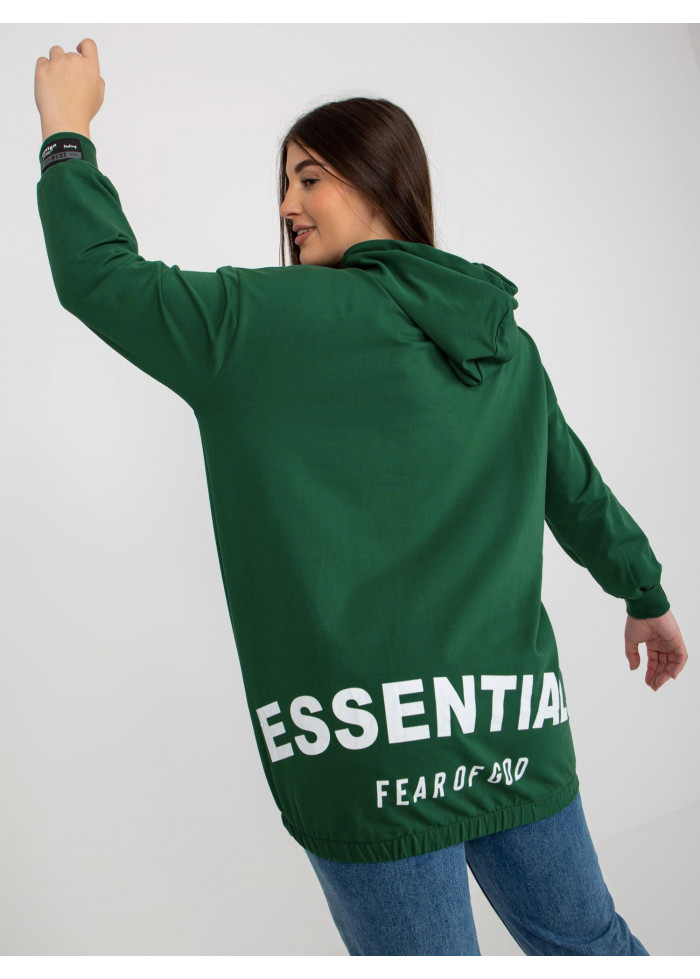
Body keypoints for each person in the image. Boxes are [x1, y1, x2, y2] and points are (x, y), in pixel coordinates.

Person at [35, 39, 688, 957]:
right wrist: (644, 594)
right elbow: (573, 488)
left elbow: (99, 277)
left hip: (365, 750)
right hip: (510, 719)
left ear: (383, 181)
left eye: (309, 177)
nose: (286, 204)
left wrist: (65, 130)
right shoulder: (502, 339)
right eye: (284, 182)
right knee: (592, 945)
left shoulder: (260, 324)